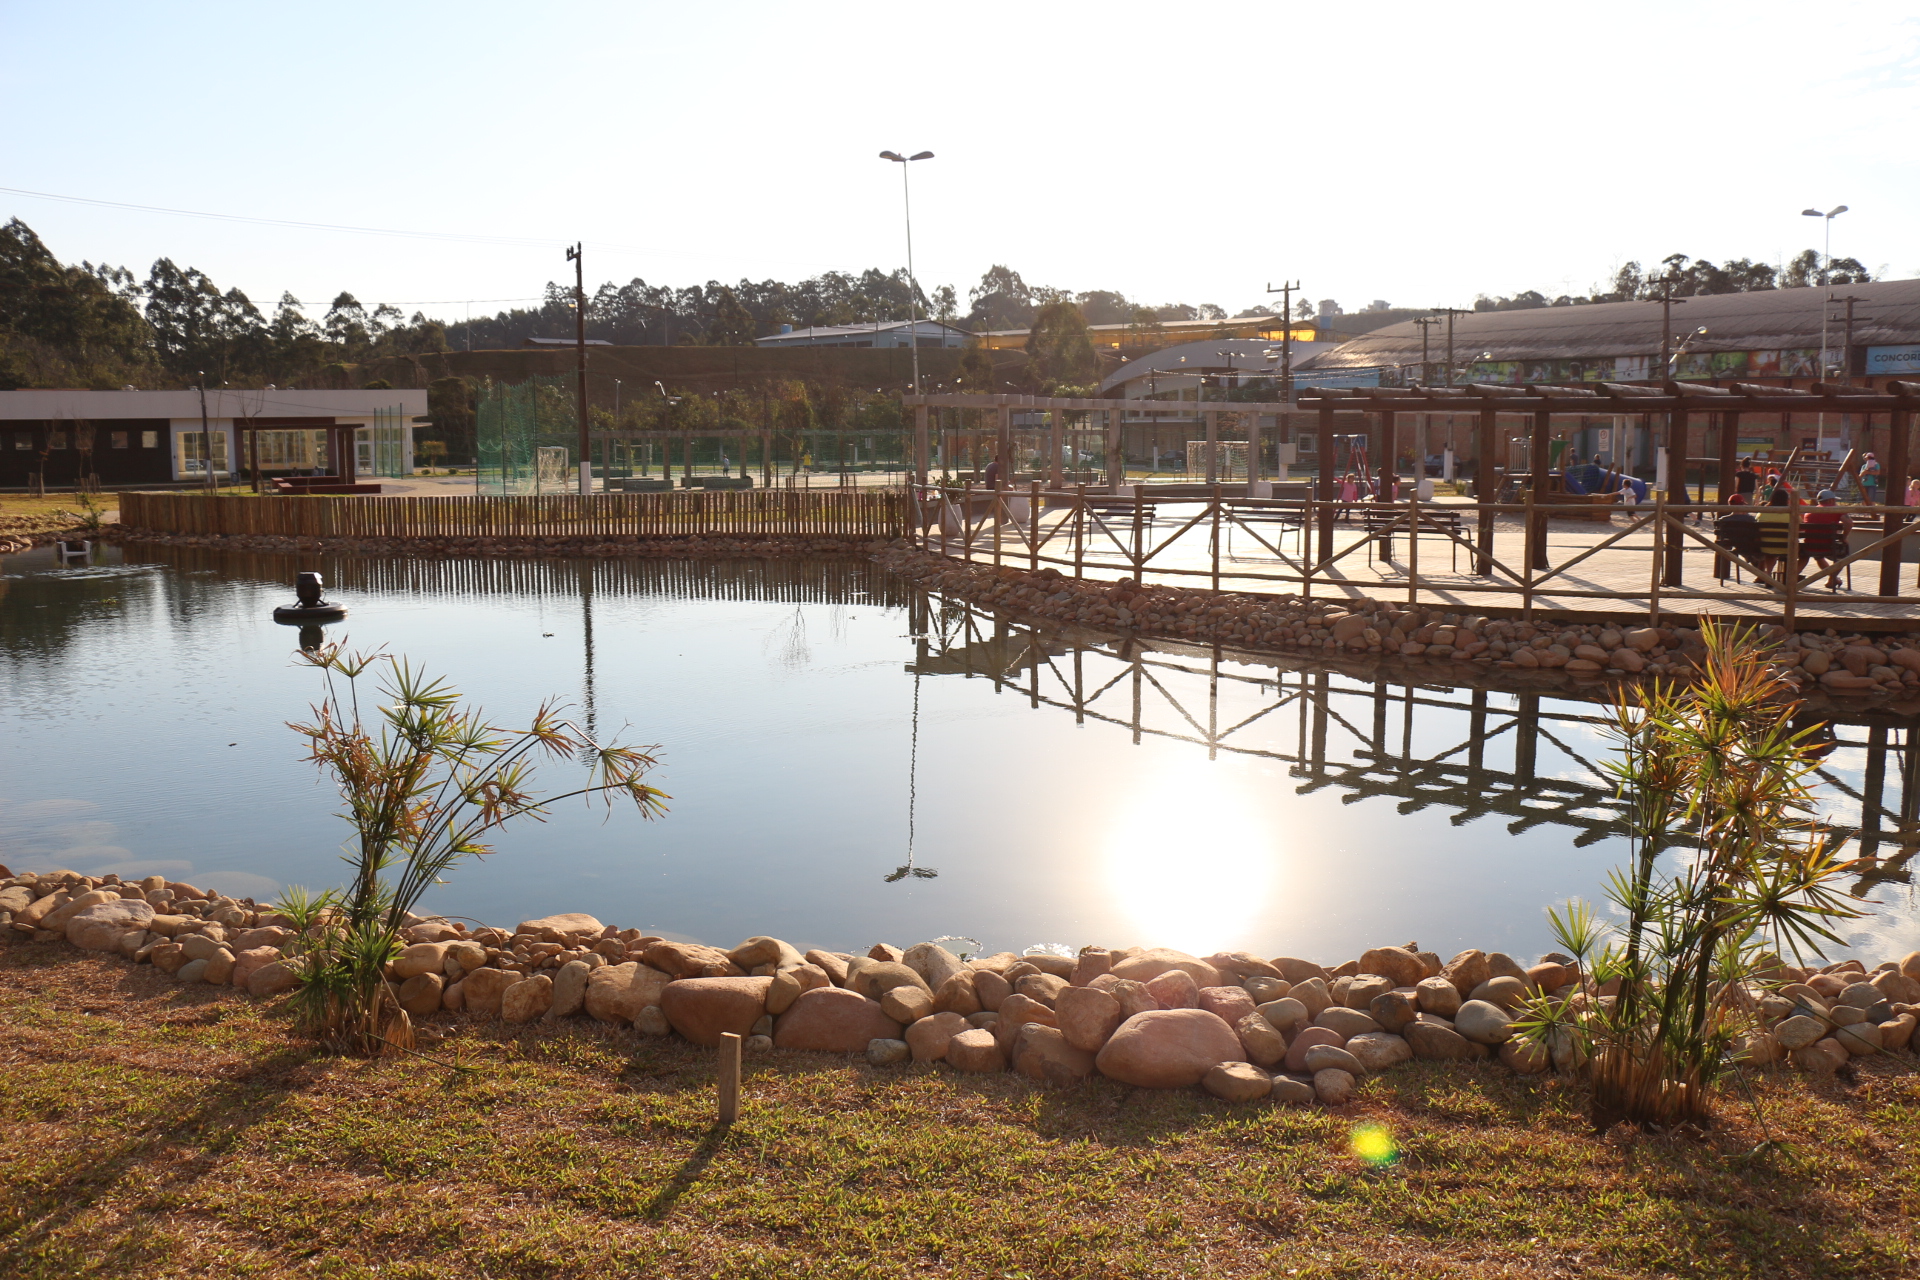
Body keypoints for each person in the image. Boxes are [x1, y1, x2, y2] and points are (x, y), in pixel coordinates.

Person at [1801, 489, 1852, 591]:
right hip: (1829, 546)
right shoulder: (1837, 510)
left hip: (1810, 546)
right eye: (1834, 500)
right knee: (1843, 557)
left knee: (1818, 556)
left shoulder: (1809, 513)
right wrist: (1844, 537)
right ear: (1830, 500)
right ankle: (1832, 579)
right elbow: (1849, 523)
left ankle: (1832, 580)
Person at [1714, 493, 1762, 579]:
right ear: (1742, 504)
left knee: (1743, 547)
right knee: (1756, 551)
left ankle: (1760, 572)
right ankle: (1763, 575)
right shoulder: (1750, 519)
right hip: (1748, 545)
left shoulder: (1724, 519)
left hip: (1733, 543)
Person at [1754, 486, 1795, 576]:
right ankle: (1791, 577)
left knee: (1771, 551)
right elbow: (1800, 526)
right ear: (1787, 500)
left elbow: (1756, 524)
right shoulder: (1792, 514)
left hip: (1766, 546)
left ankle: (1768, 574)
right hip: (1787, 547)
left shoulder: (1763, 512)